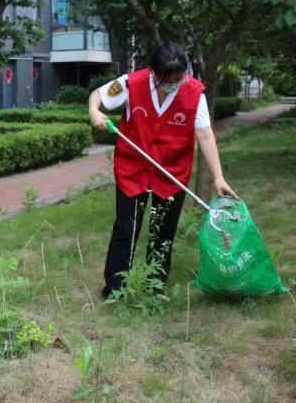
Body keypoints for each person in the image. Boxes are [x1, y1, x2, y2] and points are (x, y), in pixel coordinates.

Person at [89, 42, 238, 301]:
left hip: (171, 171)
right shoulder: (132, 83)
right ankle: (115, 288)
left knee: (163, 231)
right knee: (126, 228)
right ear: (153, 73)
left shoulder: (194, 92)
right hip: (132, 168)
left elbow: (204, 136)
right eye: (167, 79)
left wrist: (218, 177)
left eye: (178, 77)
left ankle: (155, 287)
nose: (174, 83)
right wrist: (94, 112)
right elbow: (97, 96)